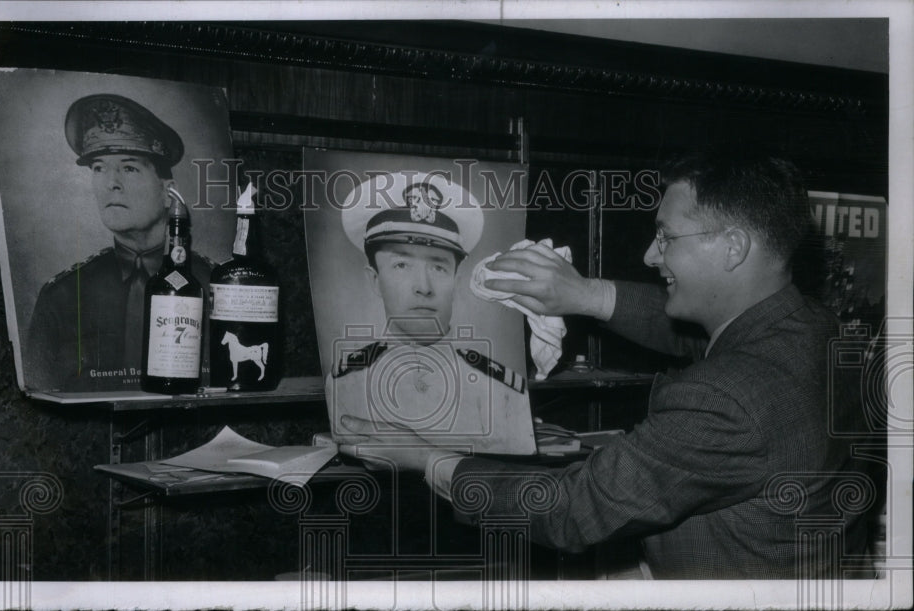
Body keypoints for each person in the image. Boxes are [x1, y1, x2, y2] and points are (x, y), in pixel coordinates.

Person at [338, 154, 870, 579]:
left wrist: (427, 458)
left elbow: (571, 511)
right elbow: (702, 343)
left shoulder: (727, 398)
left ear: (733, 247)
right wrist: (585, 294)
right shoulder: (813, 329)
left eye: (666, 236)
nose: (649, 255)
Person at [327, 172, 535, 455]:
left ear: (455, 281)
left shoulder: (504, 389)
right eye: (402, 265)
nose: (423, 288)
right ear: (374, 280)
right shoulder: (345, 381)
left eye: (438, 267)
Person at [25, 94, 212, 391]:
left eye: (129, 168)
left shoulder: (212, 287)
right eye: (99, 168)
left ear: (168, 193)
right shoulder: (62, 296)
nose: (111, 183)